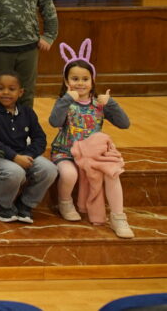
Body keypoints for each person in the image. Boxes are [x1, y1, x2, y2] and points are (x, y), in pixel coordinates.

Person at [49, 39, 132, 238]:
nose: (80, 83)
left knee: (112, 173)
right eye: (74, 78)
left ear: (93, 81)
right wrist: (67, 99)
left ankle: (118, 217)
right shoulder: (65, 102)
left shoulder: (99, 104)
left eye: (85, 79)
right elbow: (54, 121)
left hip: (94, 156)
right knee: (69, 174)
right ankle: (65, 202)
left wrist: (110, 104)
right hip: (66, 152)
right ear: (66, 81)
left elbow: (124, 124)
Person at [0, 70, 58, 224]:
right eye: (1, 88)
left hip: (23, 153)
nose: (6, 92)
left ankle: (26, 203)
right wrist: (15, 158)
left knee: (49, 169)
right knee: (15, 172)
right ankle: (1, 204)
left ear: (21, 92)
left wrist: (28, 155)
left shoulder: (27, 112)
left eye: (12, 89)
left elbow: (40, 138)